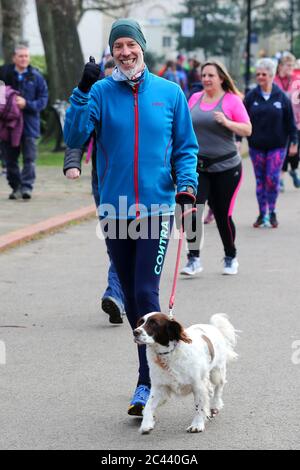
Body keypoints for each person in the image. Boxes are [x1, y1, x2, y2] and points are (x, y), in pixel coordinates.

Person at [63, 18, 198, 416]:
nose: (125, 52)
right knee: (128, 294)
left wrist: (186, 184)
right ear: (112, 52)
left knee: (144, 294)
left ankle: (146, 384)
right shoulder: (101, 92)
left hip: (156, 210)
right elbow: (73, 137)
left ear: (142, 47)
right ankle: (150, 372)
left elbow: (185, 147)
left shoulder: (170, 93)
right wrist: (83, 90)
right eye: (117, 46)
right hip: (116, 210)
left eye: (130, 44)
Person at [64, 58, 125, 324]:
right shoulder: (97, 98)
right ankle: (118, 294)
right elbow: (77, 136)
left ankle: (118, 293)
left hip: (136, 184)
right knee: (116, 242)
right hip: (104, 183)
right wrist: (72, 163)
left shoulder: (133, 101)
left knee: (127, 243)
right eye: (106, 80)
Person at [181, 60, 251, 276]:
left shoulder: (232, 101)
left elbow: (247, 129)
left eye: (211, 75)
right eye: (203, 75)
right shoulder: (194, 98)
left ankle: (230, 256)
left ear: (221, 78)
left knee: (222, 214)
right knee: (192, 212)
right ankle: (193, 259)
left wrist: (228, 123)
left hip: (227, 167)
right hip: (199, 167)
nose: (206, 79)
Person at [244, 58, 298, 228]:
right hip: (256, 147)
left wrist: (294, 142)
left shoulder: (281, 97)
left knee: (272, 179)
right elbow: (242, 119)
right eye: (258, 74)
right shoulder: (251, 96)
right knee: (260, 181)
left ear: (271, 75)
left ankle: (272, 211)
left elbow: (291, 122)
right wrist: (239, 139)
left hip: (277, 146)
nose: (260, 77)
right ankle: (262, 213)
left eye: (264, 74)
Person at [0, 45, 48, 200]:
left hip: (29, 124)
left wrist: (27, 104)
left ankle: (27, 187)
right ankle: (16, 187)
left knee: (29, 159)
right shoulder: (4, 74)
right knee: (10, 159)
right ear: (14, 58)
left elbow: (43, 100)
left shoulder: (36, 77)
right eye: (21, 56)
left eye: (26, 56)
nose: (24, 59)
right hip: (9, 125)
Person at [274, 52, 300, 189]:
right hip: (280, 124)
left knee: (295, 152)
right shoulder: (274, 81)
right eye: (288, 65)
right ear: (280, 67)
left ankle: (293, 169)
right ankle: (281, 178)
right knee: (282, 150)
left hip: (297, 122)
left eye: (292, 65)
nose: (291, 67)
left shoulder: (297, 81)